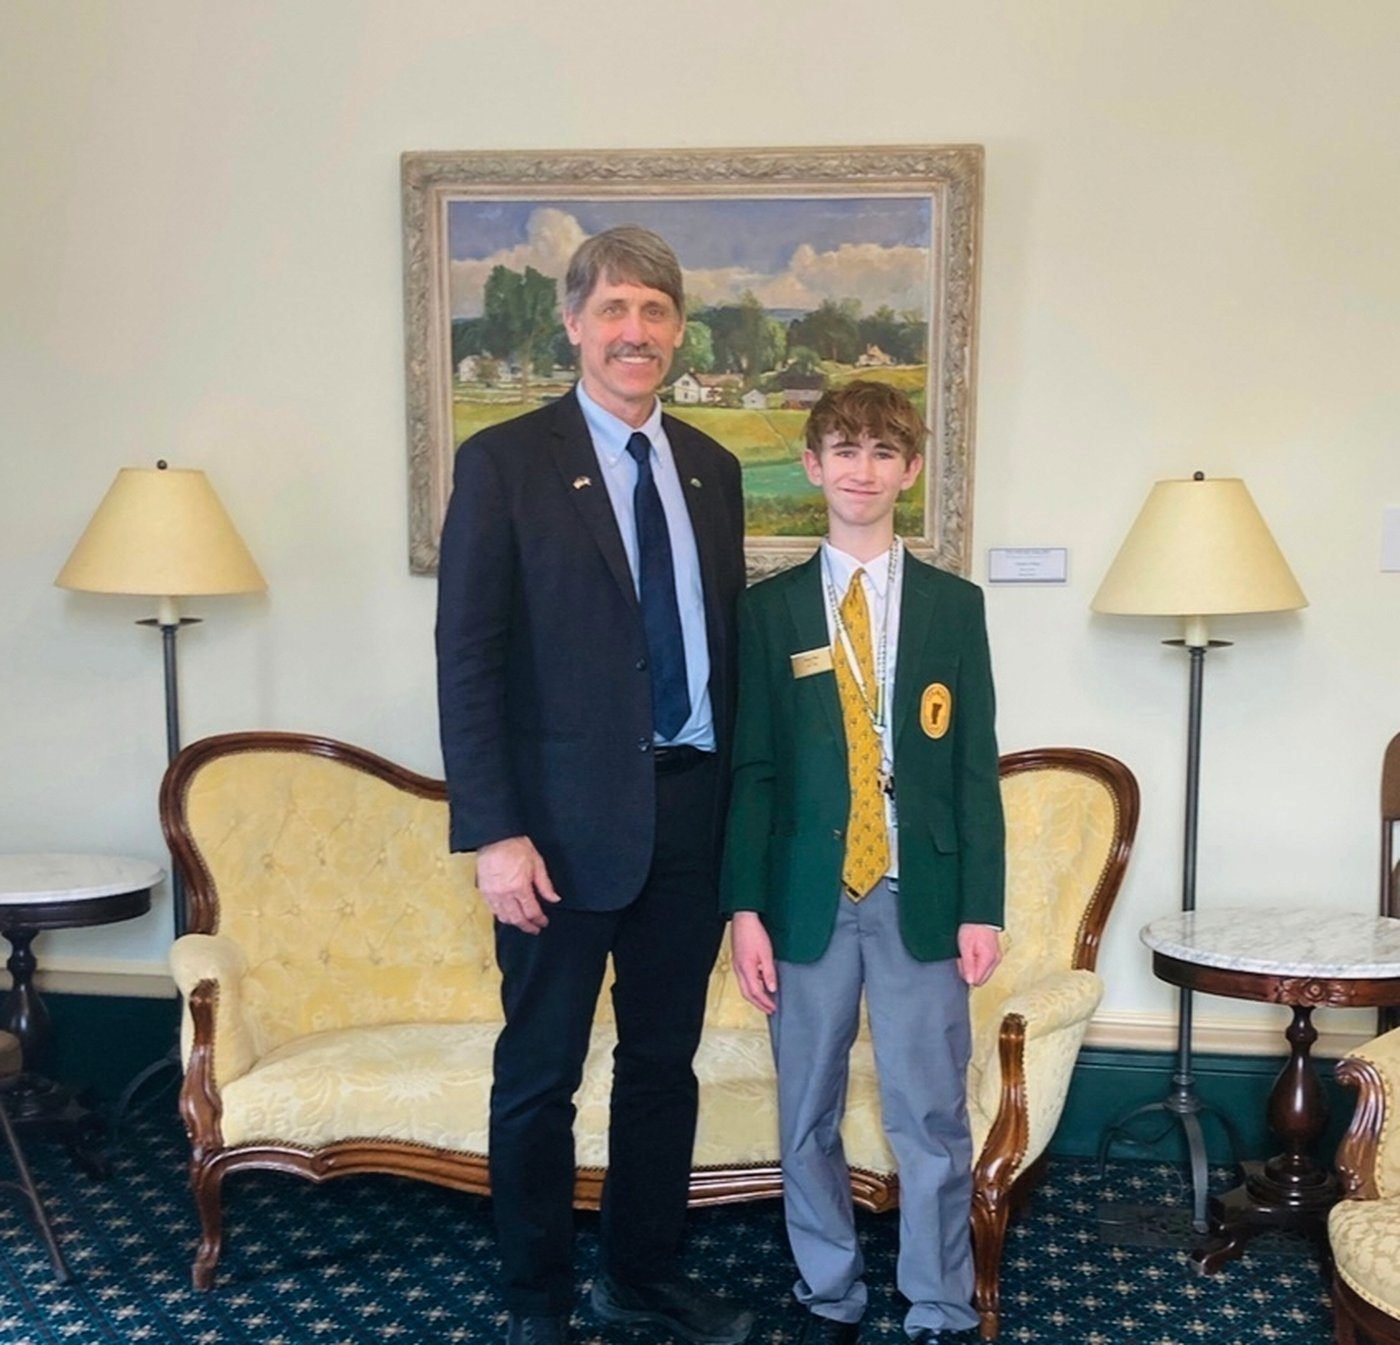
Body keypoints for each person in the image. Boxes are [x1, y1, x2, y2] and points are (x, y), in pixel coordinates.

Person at [436, 226, 752, 1345]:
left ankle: (642, 1278)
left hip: (691, 817)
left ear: (678, 331)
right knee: (540, 1075)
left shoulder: (711, 469)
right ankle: (538, 1298)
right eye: (613, 308)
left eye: (655, 311)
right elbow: (468, 658)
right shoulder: (505, 461)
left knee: (662, 1068)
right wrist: (495, 832)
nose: (635, 331)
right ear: (572, 323)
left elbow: (721, 645)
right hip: (558, 836)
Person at [721, 381, 1005, 1343]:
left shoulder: (954, 607)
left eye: (884, 451)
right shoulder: (768, 611)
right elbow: (753, 771)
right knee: (807, 1108)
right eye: (844, 450)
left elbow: (973, 769)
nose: (863, 469)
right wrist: (744, 909)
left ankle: (939, 1300)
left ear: (910, 470)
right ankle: (828, 1289)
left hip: (920, 892)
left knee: (930, 1112)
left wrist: (982, 903)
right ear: (813, 465)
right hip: (805, 897)